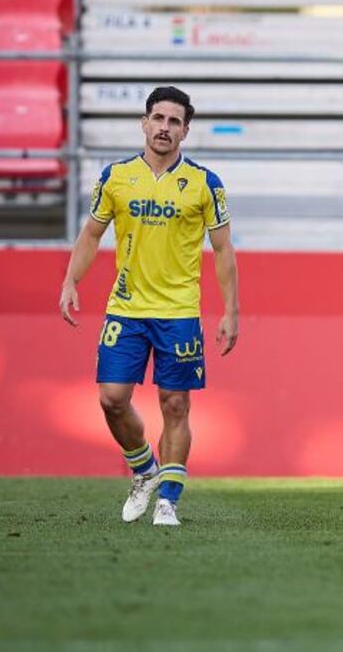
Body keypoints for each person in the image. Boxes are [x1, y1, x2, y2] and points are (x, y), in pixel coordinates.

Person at [58, 85, 239, 527]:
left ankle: (168, 501)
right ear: (144, 123)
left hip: (179, 311)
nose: (164, 128)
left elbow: (223, 249)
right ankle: (144, 471)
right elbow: (91, 234)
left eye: (174, 122)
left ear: (185, 131)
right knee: (111, 399)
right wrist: (70, 280)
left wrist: (231, 310)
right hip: (126, 308)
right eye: (158, 118)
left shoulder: (204, 183)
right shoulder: (116, 177)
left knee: (175, 404)